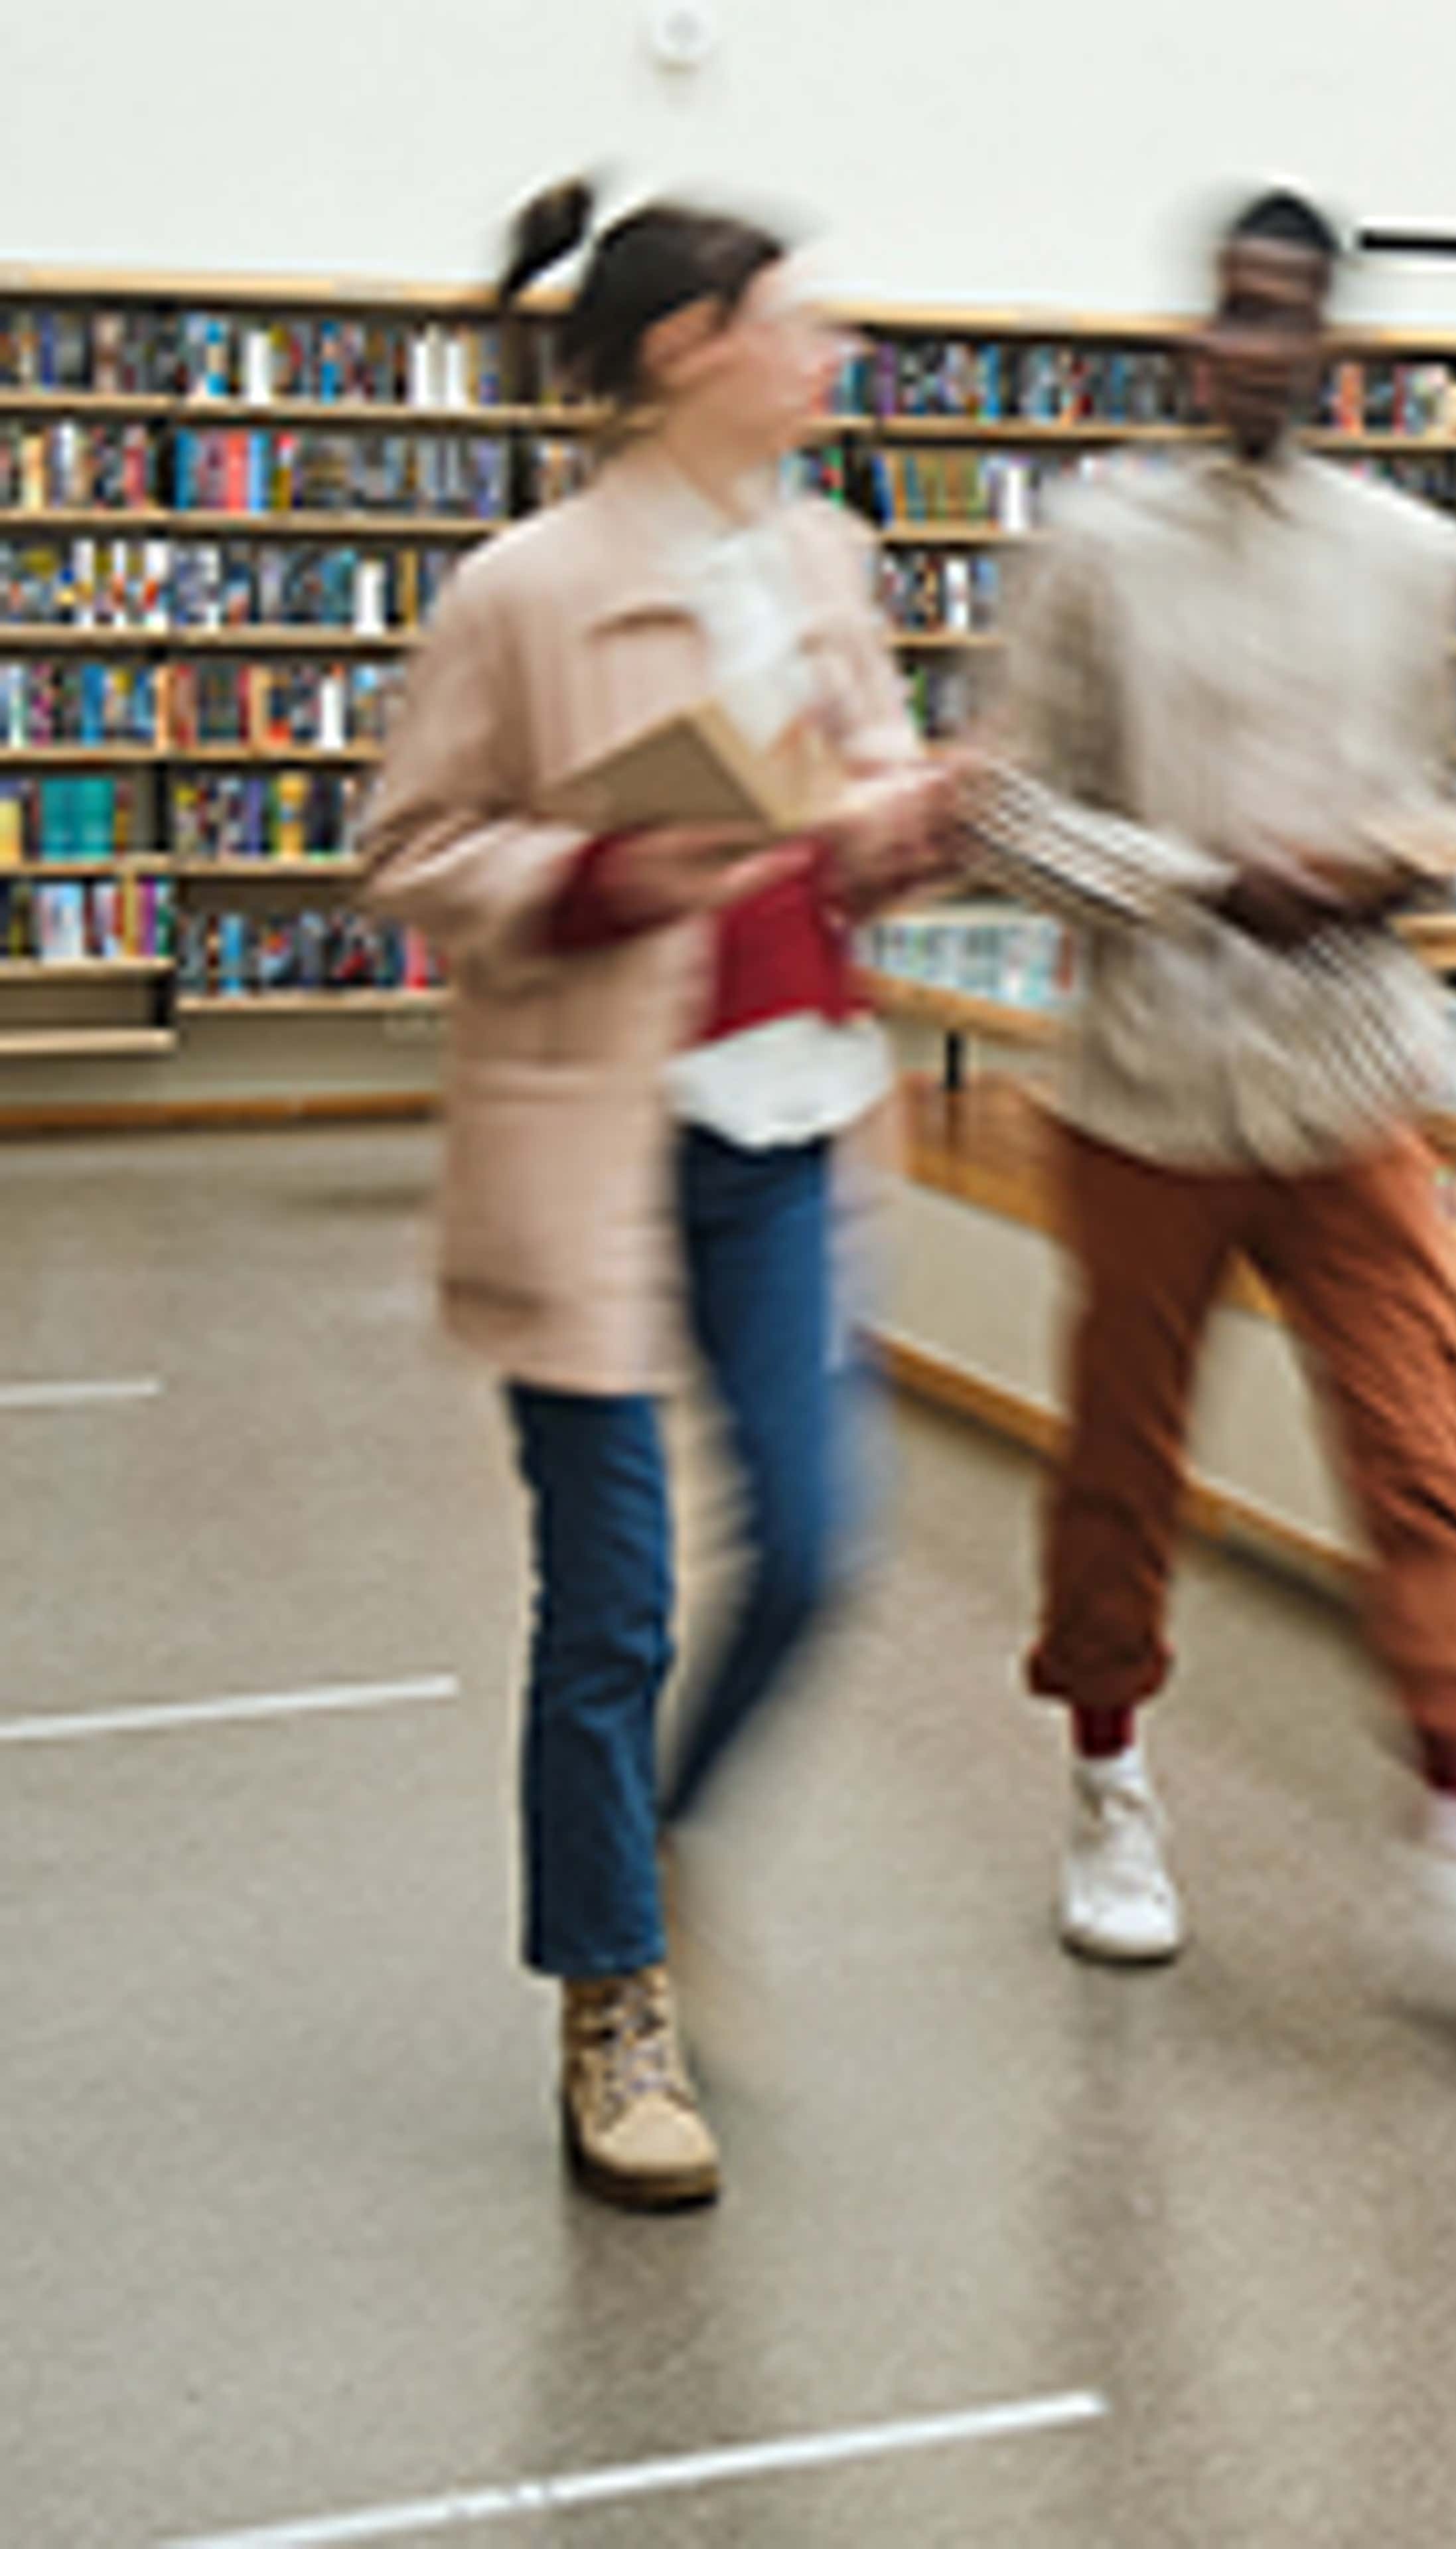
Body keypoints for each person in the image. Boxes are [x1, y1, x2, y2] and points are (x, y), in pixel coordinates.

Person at [962, 187, 1456, 2042]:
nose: (1252, 345)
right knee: (1123, 1457)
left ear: (1334, 346)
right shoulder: (1095, 547)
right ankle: (1109, 1780)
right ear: (1195, 333)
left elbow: (1446, 797)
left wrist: (1389, 865)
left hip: (1357, 1077)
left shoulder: (1413, 556)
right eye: (1228, 310)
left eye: (1287, 316)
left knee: (1426, 1454)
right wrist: (1201, 883)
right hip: (1149, 1088)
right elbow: (1000, 807)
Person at [364, 181, 956, 2207]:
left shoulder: (828, 556)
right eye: (797, 320)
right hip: (592, 1145)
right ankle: (613, 1998)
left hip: (788, 1123)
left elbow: (851, 789)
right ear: (693, 345)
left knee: (812, 1548)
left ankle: (670, 1842)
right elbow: (415, 848)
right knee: (609, 1604)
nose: (831, 355)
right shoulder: (523, 590)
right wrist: (608, 873)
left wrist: (912, 829)